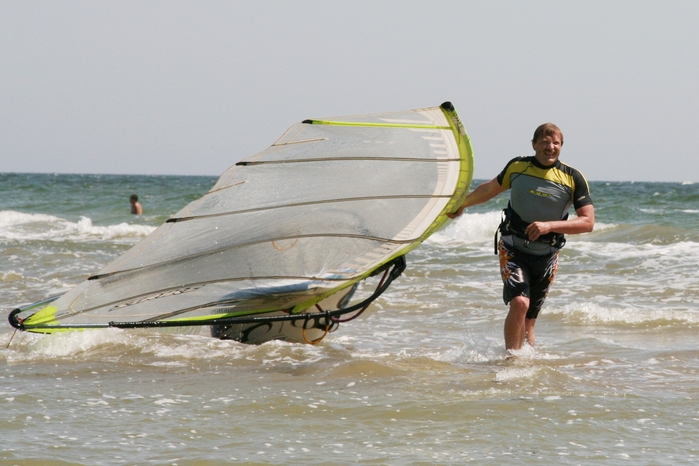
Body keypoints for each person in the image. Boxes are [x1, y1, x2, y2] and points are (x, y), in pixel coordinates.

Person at [447, 123, 594, 353]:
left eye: (555, 143)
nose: (550, 147)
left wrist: (549, 226)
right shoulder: (518, 167)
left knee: (529, 323)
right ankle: (511, 361)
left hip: (547, 256)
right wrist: (461, 204)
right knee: (519, 303)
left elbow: (587, 222)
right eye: (545, 142)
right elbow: (489, 190)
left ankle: (524, 373)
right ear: (534, 144)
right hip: (513, 247)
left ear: (561, 147)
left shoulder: (572, 178)